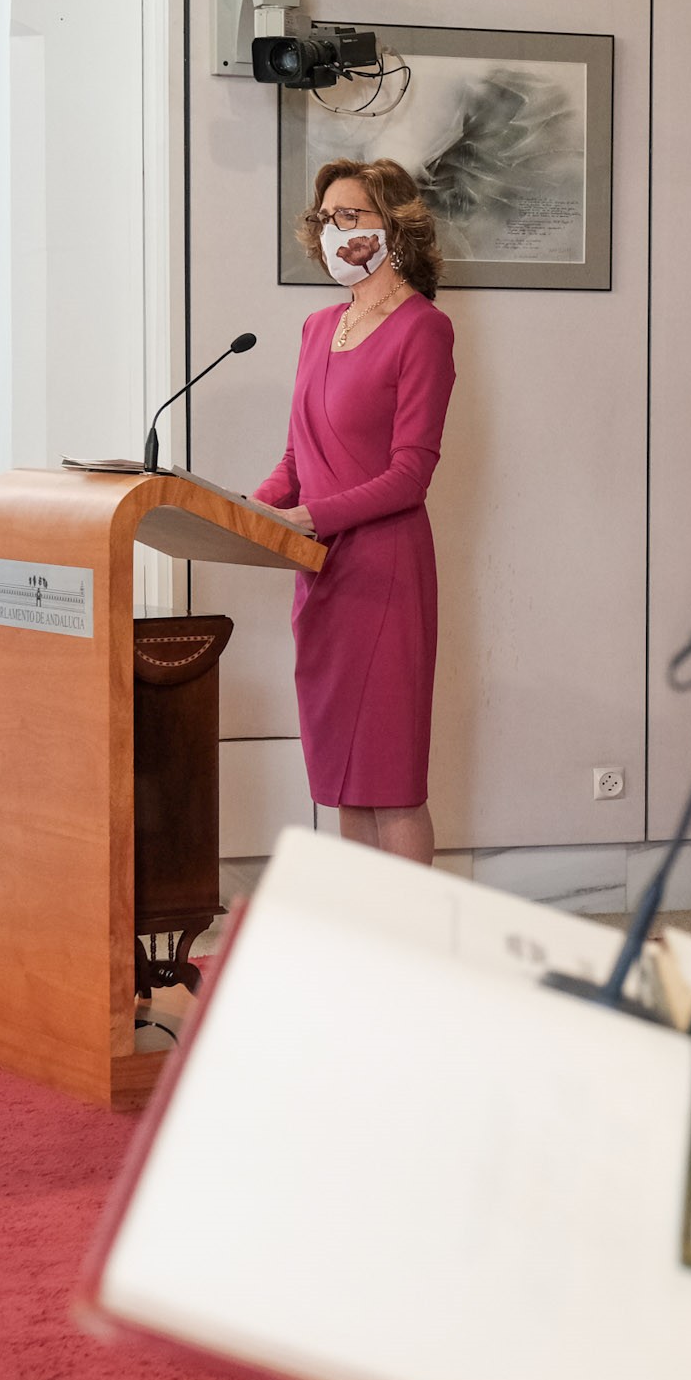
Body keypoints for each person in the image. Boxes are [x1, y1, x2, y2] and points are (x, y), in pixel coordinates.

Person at [255, 158, 457, 865]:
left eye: (350, 216)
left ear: (393, 226)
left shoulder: (423, 330)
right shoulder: (317, 328)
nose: (333, 232)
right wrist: (242, 513)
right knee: (344, 778)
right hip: (319, 577)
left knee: (391, 781)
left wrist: (311, 517)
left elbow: (411, 474)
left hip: (384, 575)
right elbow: (294, 461)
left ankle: (410, 955)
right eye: (326, 219)